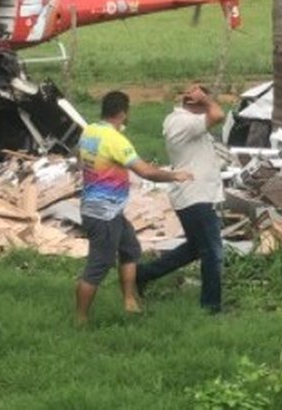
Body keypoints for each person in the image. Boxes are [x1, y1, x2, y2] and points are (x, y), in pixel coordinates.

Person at [74, 91, 193, 325]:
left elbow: (79, 159)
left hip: (101, 208)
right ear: (123, 113)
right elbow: (145, 171)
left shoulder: (90, 130)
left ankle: (129, 301)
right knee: (99, 265)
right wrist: (175, 175)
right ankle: (80, 319)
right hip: (104, 214)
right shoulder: (116, 140)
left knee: (130, 249)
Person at [137, 84, 227, 313]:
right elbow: (218, 114)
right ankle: (211, 307)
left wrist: (202, 101)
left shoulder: (189, 123)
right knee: (213, 253)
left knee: (197, 249)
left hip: (199, 195)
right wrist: (205, 101)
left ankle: (142, 274)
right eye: (204, 102)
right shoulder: (182, 122)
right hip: (195, 197)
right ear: (193, 104)